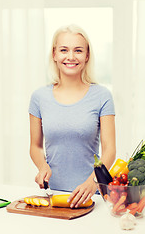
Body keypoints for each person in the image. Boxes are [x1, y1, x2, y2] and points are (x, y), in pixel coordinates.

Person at [28, 24, 116, 208]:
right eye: (63, 50)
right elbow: (35, 146)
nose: (70, 56)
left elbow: (109, 150)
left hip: (93, 196)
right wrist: (42, 167)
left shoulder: (102, 96)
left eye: (78, 50)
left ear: (87, 56)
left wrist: (92, 183)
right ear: (54, 55)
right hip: (53, 195)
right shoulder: (39, 97)